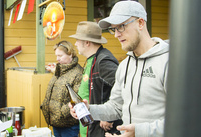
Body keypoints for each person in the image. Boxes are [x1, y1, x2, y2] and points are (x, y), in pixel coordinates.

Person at [69, 1, 169, 137]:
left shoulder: (170, 62)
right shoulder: (124, 65)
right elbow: (115, 107)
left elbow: (186, 120)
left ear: (140, 23)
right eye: (113, 29)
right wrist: (88, 109)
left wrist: (139, 132)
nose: (116, 35)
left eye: (121, 26)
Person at [69, 21, 122, 137]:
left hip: (102, 130)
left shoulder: (103, 61)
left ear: (87, 42)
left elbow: (123, 88)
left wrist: (109, 116)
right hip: (90, 126)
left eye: (78, 40)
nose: (76, 44)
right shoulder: (91, 59)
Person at [41, 41, 83, 137]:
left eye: (60, 56)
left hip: (68, 125)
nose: (57, 59)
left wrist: (61, 113)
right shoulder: (59, 70)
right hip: (56, 122)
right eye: (56, 56)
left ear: (70, 54)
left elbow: (77, 97)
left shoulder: (78, 73)